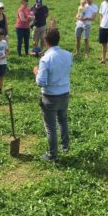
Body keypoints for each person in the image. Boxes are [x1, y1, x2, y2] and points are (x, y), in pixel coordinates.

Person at [33, 28, 73, 161]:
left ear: (45, 42)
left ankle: (53, 155)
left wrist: (36, 72)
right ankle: (65, 146)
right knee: (62, 120)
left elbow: (41, 82)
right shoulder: (68, 54)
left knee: (50, 126)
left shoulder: (45, 59)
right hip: (65, 92)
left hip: (50, 96)